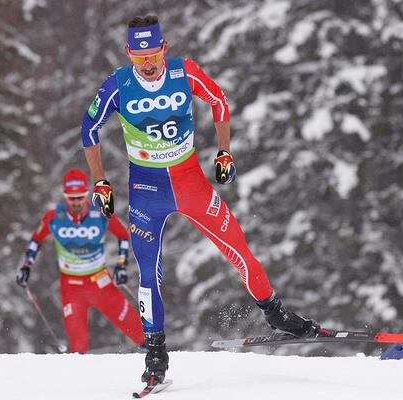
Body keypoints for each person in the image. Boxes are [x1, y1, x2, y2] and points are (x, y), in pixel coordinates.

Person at [81, 15, 322, 384]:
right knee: (148, 275)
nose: (147, 64)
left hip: (191, 182)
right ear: (129, 53)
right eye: (138, 56)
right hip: (147, 191)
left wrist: (224, 152)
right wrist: (100, 181)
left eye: (153, 54)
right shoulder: (118, 84)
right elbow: (89, 129)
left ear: (165, 48)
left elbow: (219, 100)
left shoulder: (184, 72)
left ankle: (277, 315)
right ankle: (156, 355)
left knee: (239, 248)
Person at [15, 168, 145, 353]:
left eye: (80, 197)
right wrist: (26, 265)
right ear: (65, 196)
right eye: (71, 197)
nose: (75, 202)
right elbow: (36, 240)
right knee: (78, 343)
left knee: (137, 330)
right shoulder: (54, 217)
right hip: (71, 287)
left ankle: (157, 365)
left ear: (86, 195)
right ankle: (77, 378)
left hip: (100, 282)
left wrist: (121, 265)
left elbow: (123, 235)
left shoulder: (101, 214)